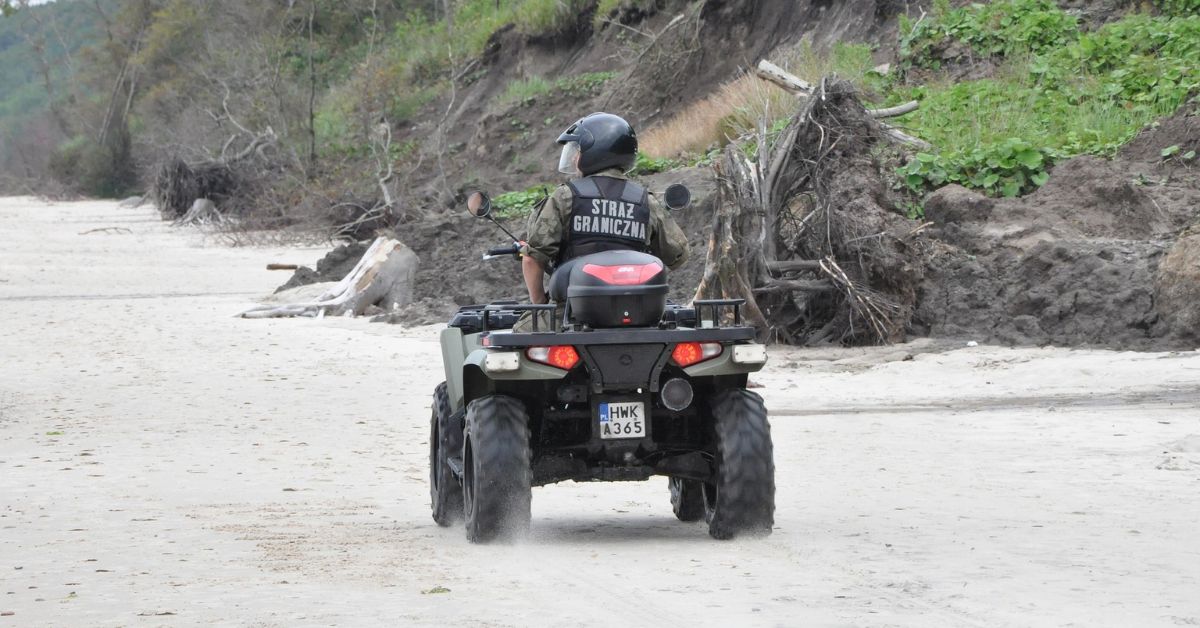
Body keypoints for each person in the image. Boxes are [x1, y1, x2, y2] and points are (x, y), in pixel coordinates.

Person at [518, 112, 689, 322]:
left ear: (595, 151)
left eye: (577, 151)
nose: (573, 157)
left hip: (572, 315)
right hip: (639, 315)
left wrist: (539, 305)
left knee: (517, 338)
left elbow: (531, 258)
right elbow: (678, 255)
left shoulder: (565, 197)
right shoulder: (646, 201)